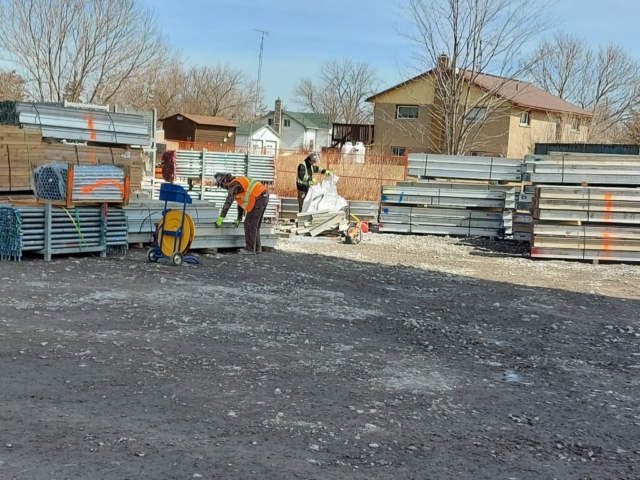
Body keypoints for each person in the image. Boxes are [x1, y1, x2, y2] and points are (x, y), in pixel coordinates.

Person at [214, 172, 269, 255]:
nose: (223, 187)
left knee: (249, 224)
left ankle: (250, 249)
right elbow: (241, 204)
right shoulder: (238, 183)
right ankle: (257, 248)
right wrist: (239, 218)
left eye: (222, 185)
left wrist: (221, 217)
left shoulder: (234, 184)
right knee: (255, 225)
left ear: (224, 180)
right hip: (263, 196)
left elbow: (228, 201)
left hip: (258, 197)